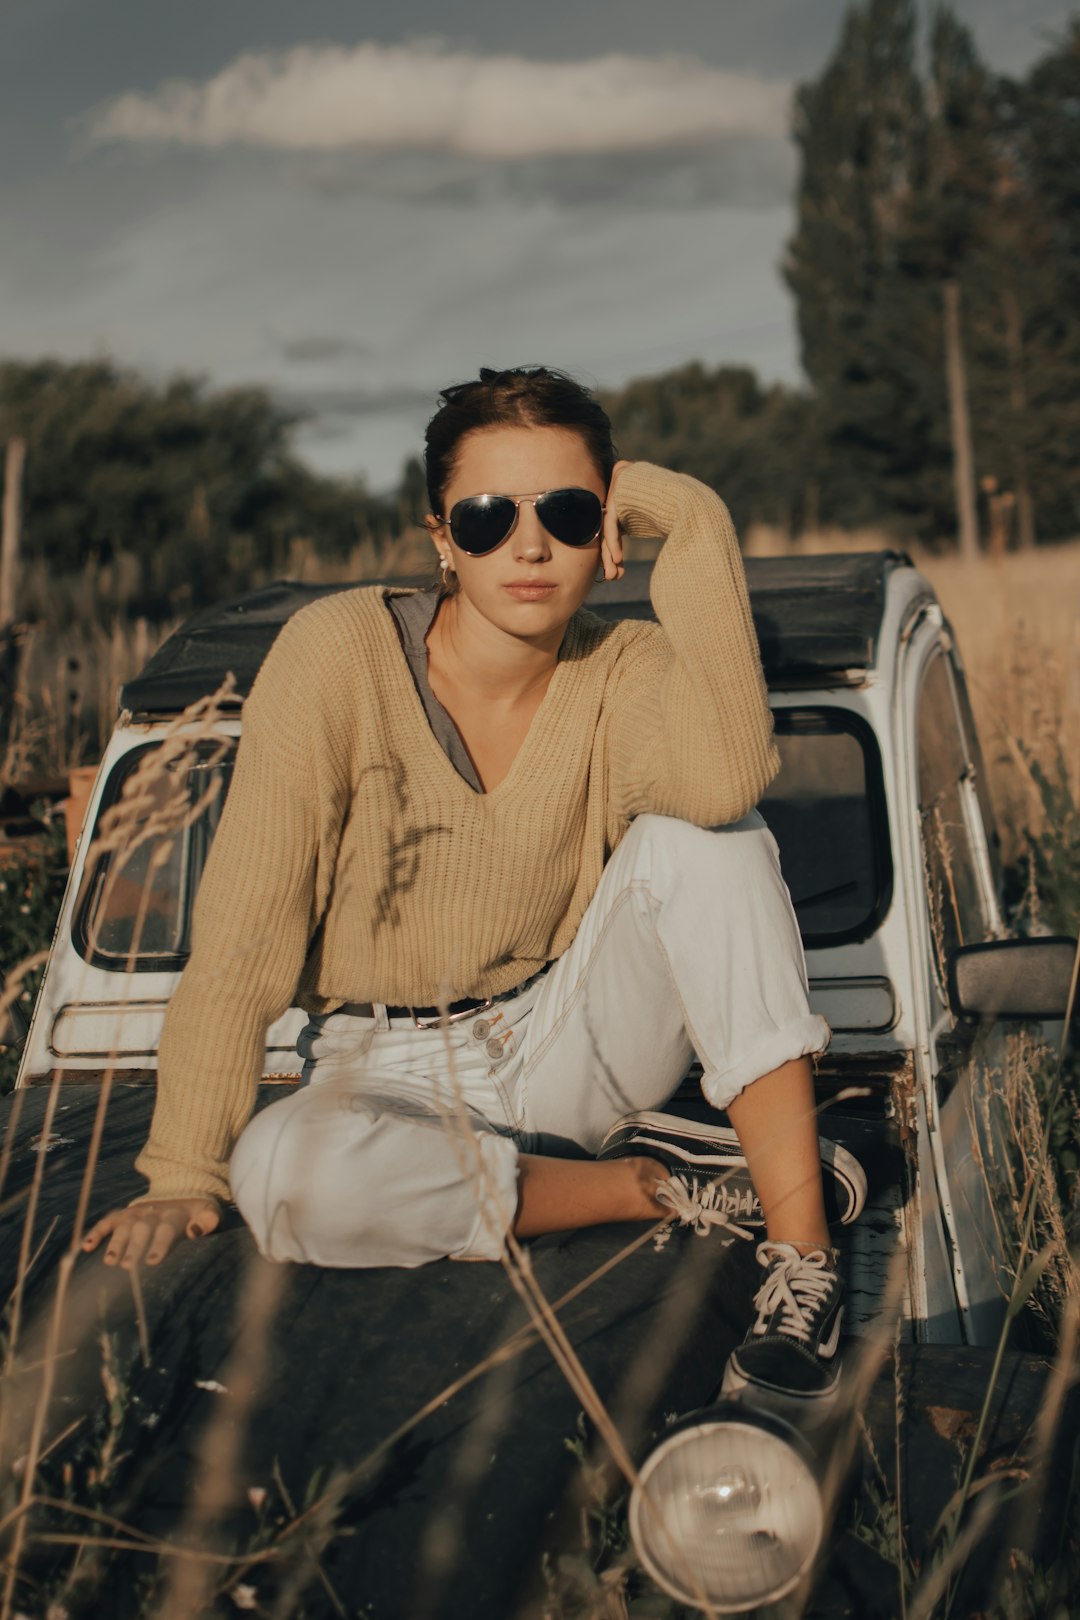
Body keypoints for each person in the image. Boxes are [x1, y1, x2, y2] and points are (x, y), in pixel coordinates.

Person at [83, 366, 866, 1417]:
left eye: (571, 513)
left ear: (608, 531)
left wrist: (693, 515)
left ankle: (800, 1262)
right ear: (441, 536)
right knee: (282, 1178)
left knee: (713, 842)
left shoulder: (623, 666)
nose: (531, 547)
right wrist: (183, 1169)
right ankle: (662, 1184)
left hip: (564, 1040)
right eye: (490, 517)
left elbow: (728, 776)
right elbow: (245, 933)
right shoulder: (337, 656)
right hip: (383, 1062)